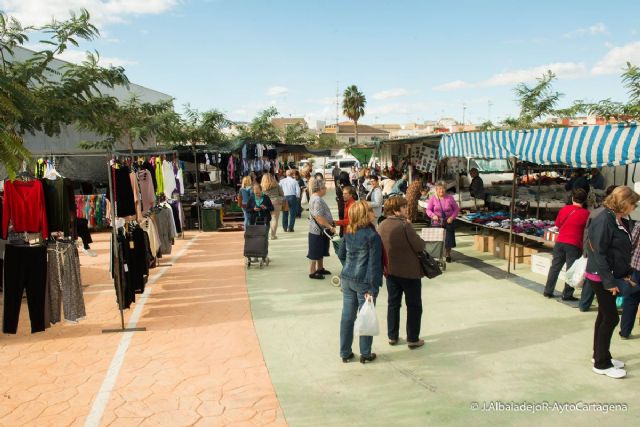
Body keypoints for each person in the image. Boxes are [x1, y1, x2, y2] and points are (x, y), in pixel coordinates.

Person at [584, 186, 640, 379]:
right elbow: (598, 253)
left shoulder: (615, 217)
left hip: (608, 275)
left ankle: (600, 355)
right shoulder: (603, 219)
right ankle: (601, 364)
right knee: (611, 318)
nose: (634, 208)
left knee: (603, 316)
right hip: (601, 277)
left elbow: (617, 251)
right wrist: (609, 282)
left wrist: (624, 273)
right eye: (633, 204)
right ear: (624, 203)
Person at [337, 201, 383, 364]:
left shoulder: (348, 232)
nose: (373, 213)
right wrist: (373, 288)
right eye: (370, 210)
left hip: (347, 278)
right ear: (364, 214)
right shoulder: (372, 236)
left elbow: (341, 253)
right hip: (364, 282)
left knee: (347, 316)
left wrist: (348, 267)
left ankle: (345, 352)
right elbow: (374, 264)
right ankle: (365, 353)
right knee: (366, 316)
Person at [378, 197, 427, 349]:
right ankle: (412, 338)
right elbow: (419, 245)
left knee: (393, 304)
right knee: (413, 305)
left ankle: (392, 336)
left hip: (391, 271)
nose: (407, 209)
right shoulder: (405, 226)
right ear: (396, 210)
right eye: (404, 207)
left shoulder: (381, 225)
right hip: (409, 272)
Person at [543, 189, 590, 300]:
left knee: (555, 267)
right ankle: (567, 294)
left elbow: (558, 225)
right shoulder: (586, 214)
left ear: (572, 198)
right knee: (571, 269)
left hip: (560, 242)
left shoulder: (564, 209)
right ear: (585, 200)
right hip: (574, 244)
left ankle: (548, 291)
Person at [579, 185, 619, 312]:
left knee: (591, 278)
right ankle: (585, 304)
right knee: (594, 278)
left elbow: (586, 231)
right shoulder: (604, 215)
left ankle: (584, 304)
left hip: (594, 251)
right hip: (598, 253)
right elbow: (588, 232)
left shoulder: (598, 212)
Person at [307, 179, 335, 280]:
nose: (326, 189)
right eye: (324, 187)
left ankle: (320, 268)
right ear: (320, 189)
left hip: (319, 230)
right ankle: (312, 271)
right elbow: (319, 217)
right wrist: (329, 226)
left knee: (320, 249)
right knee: (315, 251)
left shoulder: (315, 198)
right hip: (317, 230)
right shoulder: (317, 200)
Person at [426, 181, 460, 262]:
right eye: (439, 189)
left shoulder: (450, 198)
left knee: (449, 239)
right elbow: (428, 210)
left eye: (443, 189)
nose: (441, 191)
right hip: (437, 221)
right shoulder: (433, 198)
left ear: (445, 189)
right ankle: (437, 254)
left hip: (448, 221)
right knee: (437, 239)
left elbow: (456, 209)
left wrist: (452, 217)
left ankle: (448, 254)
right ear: (436, 190)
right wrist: (433, 215)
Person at [621, 222, 640, 339]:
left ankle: (625, 331)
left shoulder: (639, 225)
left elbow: (631, 244)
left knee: (631, 300)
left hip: (637, 268)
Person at [261, 173, 284, 239]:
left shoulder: (262, 186)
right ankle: (273, 235)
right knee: (274, 219)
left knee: (266, 219)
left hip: (265, 203)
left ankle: (265, 234)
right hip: (276, 202)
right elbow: (282, 194)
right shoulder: (276, 185)